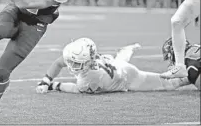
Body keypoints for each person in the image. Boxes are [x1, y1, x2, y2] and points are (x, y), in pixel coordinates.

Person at [35, 38, 190, 94]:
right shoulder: (88, 61)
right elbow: (58, 62)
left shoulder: (89, 79)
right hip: (115, 66)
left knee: (169, 84)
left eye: (76, 62)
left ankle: (192, 75)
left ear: (88, 61)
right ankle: (126, 50)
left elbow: (76, 89)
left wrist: (54, 85)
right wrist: (45, 81)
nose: (72, 65)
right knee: (119, 60)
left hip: (127, 78)